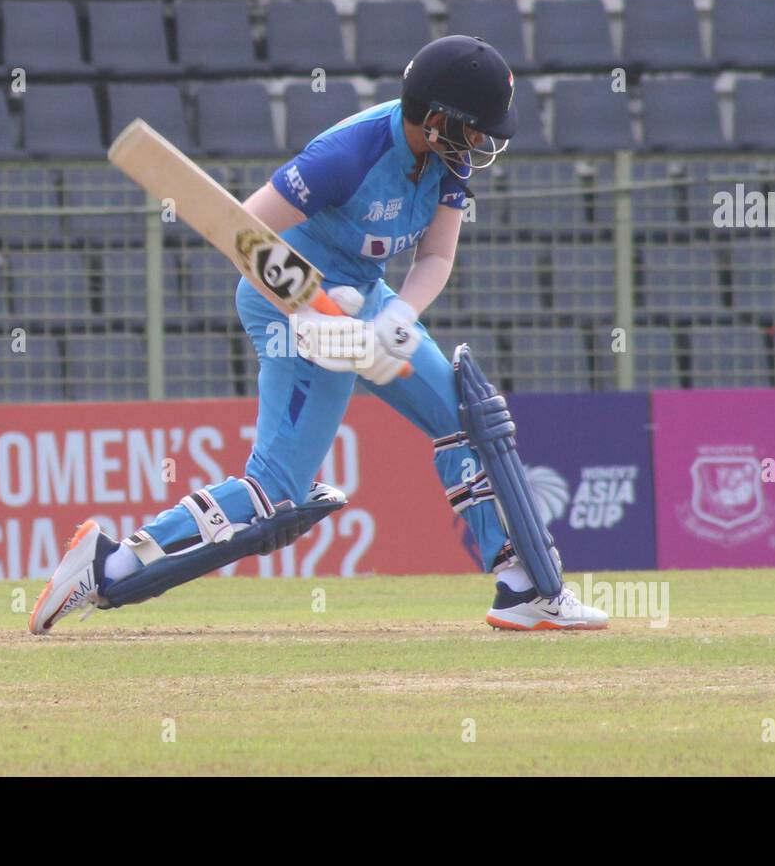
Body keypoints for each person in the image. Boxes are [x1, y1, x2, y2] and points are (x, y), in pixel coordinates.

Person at [30, 36, 608, 634]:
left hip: (364, 297)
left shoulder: (448, 159)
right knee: (278, 489)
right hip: (288, 300)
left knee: (465, 415)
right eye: (475, 128)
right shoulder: (348, 154)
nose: (482, 143)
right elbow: (244, 235)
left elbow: (435, 259)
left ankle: (521, 586)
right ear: (437, 120)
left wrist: (394, 321)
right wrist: (316, 318)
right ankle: (107, 565)